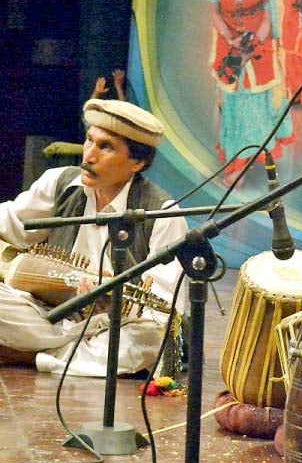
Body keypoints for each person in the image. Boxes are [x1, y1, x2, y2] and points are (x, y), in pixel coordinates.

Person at [0, 98, 188, 377]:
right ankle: (68, 356)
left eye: (106, 147)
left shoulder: (162, 213)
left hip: (118, 327)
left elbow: (163, 312)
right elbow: (10, 222)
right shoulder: (61, 183)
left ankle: (28, 356)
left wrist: (115, 306)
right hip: (50, 313)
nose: (88, 155)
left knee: (149, 340)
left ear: (137, 162)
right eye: (89, 140)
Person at [207, 0, 294, 188]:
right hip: (229, 46)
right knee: (233, 109)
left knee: (254, 111)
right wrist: (231, 39)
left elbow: (270, 13)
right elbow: (214, 10)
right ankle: (237, 164)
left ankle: (247, 162)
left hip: (259, 47)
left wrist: (254, 41)